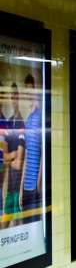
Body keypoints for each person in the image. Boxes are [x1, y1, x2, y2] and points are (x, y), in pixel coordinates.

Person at [0, 83, 23, 226]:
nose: (14, 100)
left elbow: (19, 162)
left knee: (17, 225)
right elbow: (5, 155)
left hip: (17, 185)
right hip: (8, 186)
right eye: (12, 97)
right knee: (5, 224)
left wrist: (9, 158)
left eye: (16, 97)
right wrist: (10, 156)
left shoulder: (21, 124)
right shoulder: (7, 122)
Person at [20, 74, 42, 223]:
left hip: (35, 187)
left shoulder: (41, 116)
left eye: (30, 90)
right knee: (27, 226)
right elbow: (27, 156)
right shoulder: (29, 119)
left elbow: (43, 155)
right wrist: (21, 188)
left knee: (35, 227)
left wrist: (39, 186)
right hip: (26, 188)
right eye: (26, 91)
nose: (28, 94)